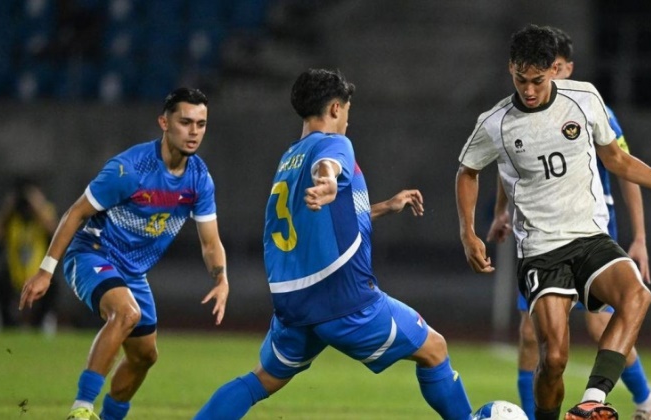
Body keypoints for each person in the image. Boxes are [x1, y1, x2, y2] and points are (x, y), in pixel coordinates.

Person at [455, 24, 651, 420]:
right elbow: (468, 172)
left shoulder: (584, 99)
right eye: (521, 79)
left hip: (590, 238)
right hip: (542, 251)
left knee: (637, 295)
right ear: (511, 68)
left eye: (538, 80)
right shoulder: (496, 122)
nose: (529, 90)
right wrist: (468, 233)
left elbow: (618, 160)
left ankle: (593, 399)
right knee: (554, 358)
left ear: (554, 70)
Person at [195, 68, 473, 420]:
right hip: (343, 298)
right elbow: (327, 169)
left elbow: (325, 217)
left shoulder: (289, 158)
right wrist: (327, 181)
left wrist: (385, 206)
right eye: (347, 111)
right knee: (434, 348)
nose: (347, 121)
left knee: (260, 380)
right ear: (336, 108)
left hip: (294, 302)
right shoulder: (334, 144)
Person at [18, 87, 230, 420]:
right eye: (185, 122)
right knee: (126, 314)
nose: (194, 132)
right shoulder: (130, 169)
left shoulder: (199, 179)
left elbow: (210, 242)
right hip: (92, 253)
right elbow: (75, 213)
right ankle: (81, 409)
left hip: (132, 272)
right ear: (164, 122)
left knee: (145, 356)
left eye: (201, 124)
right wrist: (46, 270)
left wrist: (221, 278)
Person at [484, 27, 651, 420]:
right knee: (531, 336)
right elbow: (510, 165)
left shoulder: (591, 107)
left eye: (557, 68)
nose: (550, 78)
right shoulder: (517, 117)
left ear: (566, 68)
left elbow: (625, 168)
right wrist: (501, 212)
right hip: (542, 237)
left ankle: (644, 399)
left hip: (591, 231)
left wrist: (640, 237)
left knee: (600, 326)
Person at [0, 177, 59, 332]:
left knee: (54, 283)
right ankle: (6, 324)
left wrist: (37, 203)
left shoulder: (44, 211)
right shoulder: (11, 218)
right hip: (14, 272)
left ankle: (44, 321)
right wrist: (8, 207)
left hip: (38, 270)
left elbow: (54, 230)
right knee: (0, 278)